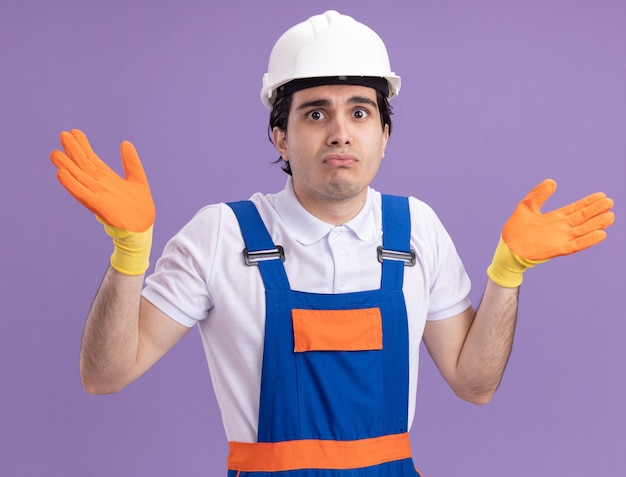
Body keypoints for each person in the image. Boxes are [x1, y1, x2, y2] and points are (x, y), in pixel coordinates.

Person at [50, 10, 614, 477]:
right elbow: (105, 375)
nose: (340, 132)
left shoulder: (417, 229)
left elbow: (475, 384)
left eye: (360, 112)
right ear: (281, 135)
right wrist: (130, 254)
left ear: (384, 135)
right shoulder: (221, 234)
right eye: (315, 112)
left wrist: (507, 274)